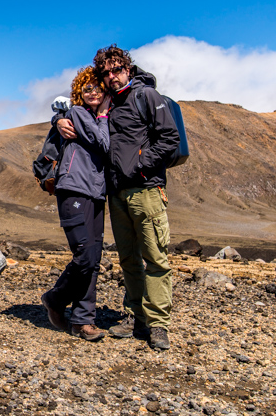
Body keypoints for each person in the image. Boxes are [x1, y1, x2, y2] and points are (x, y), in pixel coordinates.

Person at [56, 45, 179, 350]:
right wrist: (57, 120)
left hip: (146, 189)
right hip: (116, 193)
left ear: (128, 67)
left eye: (117, 70)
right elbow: (83, 118)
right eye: (106, 72)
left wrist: (139, 164)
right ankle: (134, 315)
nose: (111, 76)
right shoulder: (108, 105)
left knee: (155, 257)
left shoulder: (146, 95)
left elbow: (170, 138)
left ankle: (158, 323)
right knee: (128, 260)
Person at [41, 66, 111, 341]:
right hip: (73, 189)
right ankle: (55, 299)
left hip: (96, 192)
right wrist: (103, 114)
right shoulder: (78, 113)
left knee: (93, 259)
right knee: (85, 255)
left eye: (97, 87)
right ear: (79, 94)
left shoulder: (90, 116)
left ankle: (82, 322)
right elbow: (102, 142)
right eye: (87, 88)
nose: (93, 92)